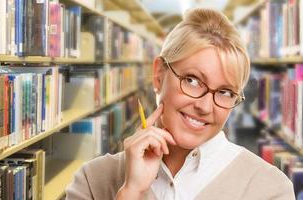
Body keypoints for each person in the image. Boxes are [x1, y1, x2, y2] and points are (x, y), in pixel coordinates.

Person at [65, 8, 295, 200]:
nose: (205, 107)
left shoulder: (270, 189)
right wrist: (131, 192)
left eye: (225, 92)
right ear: (158, 75)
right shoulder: (93, 180)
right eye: (192, 81)